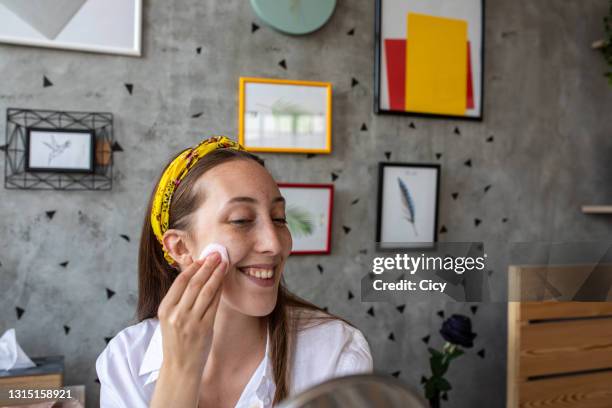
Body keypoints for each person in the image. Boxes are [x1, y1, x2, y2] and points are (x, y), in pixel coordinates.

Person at [95, 136, 373, 408]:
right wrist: (180, 372)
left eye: (279, 219)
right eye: (241, 220)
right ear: (180, 247)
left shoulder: (336, 352)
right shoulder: (124, 362)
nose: (274, 244)